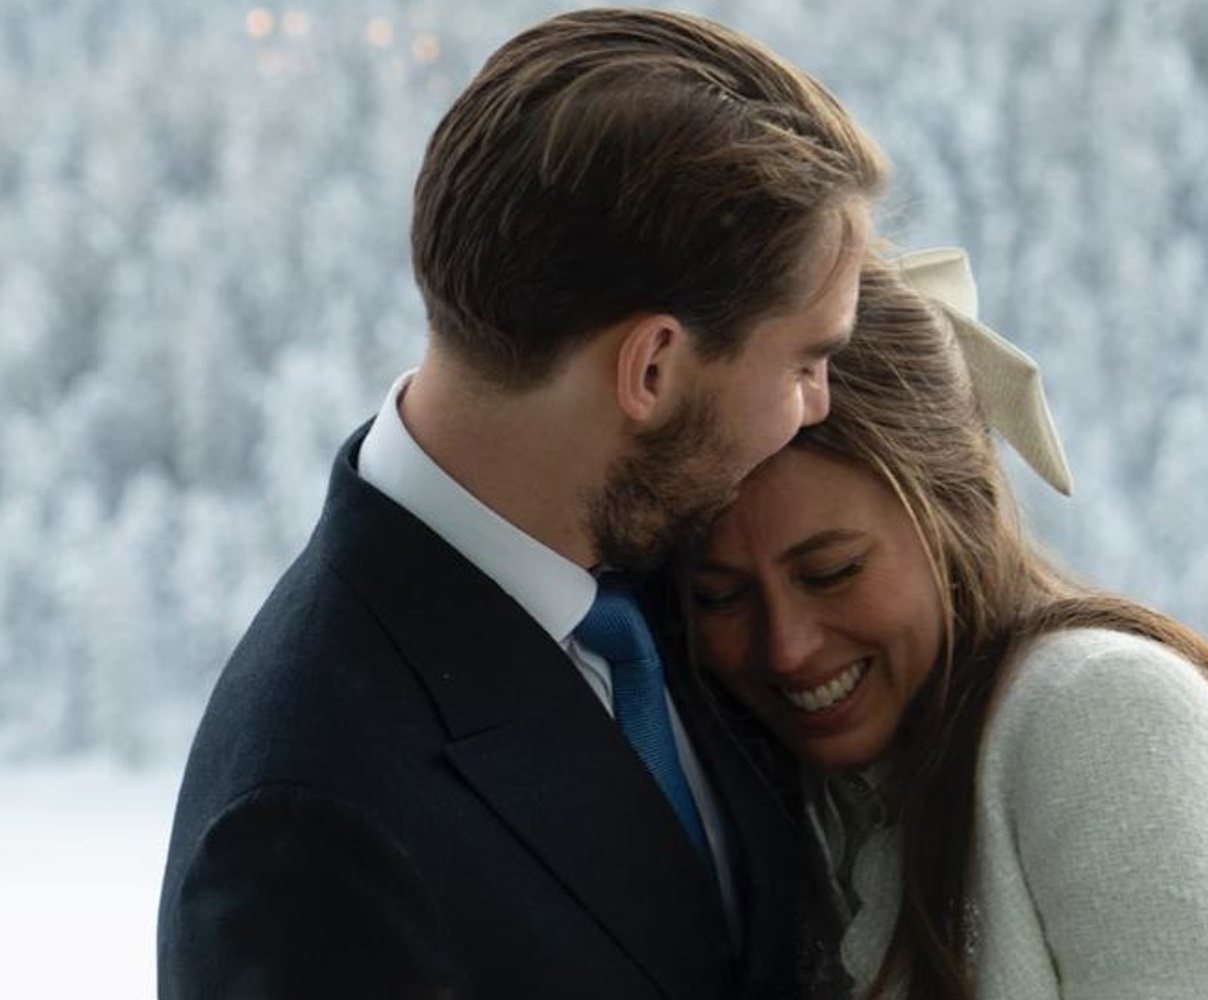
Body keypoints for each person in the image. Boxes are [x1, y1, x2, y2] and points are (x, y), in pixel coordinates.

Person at [157, 10, 886, 998]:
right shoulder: (308, 821)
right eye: (806, 361)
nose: (820, 407)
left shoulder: (670, 561)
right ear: (654, 366)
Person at [683, 252, 1208, 999]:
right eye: (720, 596)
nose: (785, 645)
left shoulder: (1103, 718)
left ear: (953, 513)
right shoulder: (805, 776)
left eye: (834, 572)